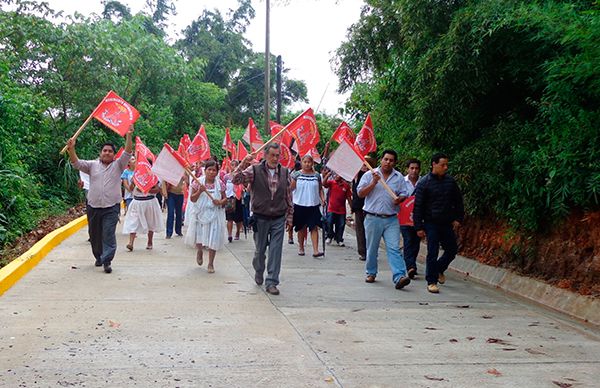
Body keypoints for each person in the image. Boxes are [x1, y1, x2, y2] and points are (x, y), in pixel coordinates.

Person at [66, 128, 133, 273]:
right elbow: (76, 163)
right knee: (94, 235)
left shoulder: (119, 165)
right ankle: (99, 256)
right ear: (100, 153)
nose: (107, 153)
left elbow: (127, 152)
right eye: (105, 150)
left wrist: (129, 135)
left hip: (111, 207)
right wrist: (71, 149)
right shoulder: (91, 165)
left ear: (114, 155)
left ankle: (107, 261)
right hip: (93, 206)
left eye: (110, 151)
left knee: (108, 233)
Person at [232, 143, 293, 295]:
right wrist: (244, 163)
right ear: (265, 155)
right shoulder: (254, 170)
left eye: (277, 155)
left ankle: (272, 281)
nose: (275, 158)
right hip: (260, 217)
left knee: (276, 250)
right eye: (272, 155)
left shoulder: (285, 172)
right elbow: (235, 179)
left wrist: (290, 215)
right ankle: (259, 270)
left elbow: (288, 195)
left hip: (278, 216)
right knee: (260, 251)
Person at [357, 149, 411, 290]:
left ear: (395, 162)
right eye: (386, 159)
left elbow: (404, 193)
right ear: (381, 160)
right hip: (372, 217)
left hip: (391, 218)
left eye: (391, 160)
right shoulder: (370, 174)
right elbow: (360, 193)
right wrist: (373, 183)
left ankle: (399, 276)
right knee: (372, 248)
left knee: (394, 248)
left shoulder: (399, 177)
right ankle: (371, 272)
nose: (388, 162)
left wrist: (400, 199)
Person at [413, 153, 464, 294]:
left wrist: (458, 218)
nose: (445, 167)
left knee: (452, 250)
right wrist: (418, 226)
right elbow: (418, 207)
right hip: (431, 223)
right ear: (434, 164)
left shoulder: (450, 182)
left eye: (447, 165)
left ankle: (439, 268)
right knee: (432, 252)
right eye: (443, 165)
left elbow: (458, 201)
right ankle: (431, 281)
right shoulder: (424, 182)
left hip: (447, 222)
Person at [185, 160, 227, 273]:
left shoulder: (220, 184)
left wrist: (220, 202)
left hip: (214, 214)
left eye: (214, 170)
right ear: (205, 170)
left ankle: (211, 263)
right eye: (209, 170)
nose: (211, 172)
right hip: (200, 213)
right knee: (199, 236)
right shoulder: (197, 182)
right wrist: (199, 191)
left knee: (214, 237)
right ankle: (199, 251)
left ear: (217, 172)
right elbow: (192, 199)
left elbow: (225, 198)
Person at [290, 154, 324, 257]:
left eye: (309, 162)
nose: (307, 164)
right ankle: (301, 247)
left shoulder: (316, 175)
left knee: (314, 227)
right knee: (301, 227)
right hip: (300, 204)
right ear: (301, 162)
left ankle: (315, 250)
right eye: (305, 162)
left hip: (313, 205)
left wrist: (322, 198)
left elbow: (320, 189)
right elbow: (291, 189)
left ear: (312, 163)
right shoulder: (296, 175)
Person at [122, 179, 164, 251]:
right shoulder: (136, 176)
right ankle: (131, 243)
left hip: (150, 201)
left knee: (151, 222)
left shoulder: (152, 176)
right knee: (133, 221)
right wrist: (132, 183)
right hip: (137, 201)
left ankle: (150, 242)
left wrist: (146, 190)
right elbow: (131, 189)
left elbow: (157, 189)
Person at [400, 158, 422, 279]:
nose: (414, 171)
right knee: (408, 240)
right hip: (404, 217)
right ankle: (410, 267)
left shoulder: (423, 182)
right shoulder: (401, 181)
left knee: (416, 241)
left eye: (416, 168)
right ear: (407, 169)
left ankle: (411, 263)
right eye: (412, 168)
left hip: (419, 217)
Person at [351, 155, 376, 261]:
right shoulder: (356, 175)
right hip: (359, 206)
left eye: (367, 164)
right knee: (360, 229)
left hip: (370, 205)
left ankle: (371, 251)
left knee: (371, 230)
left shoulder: (372, 176)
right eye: (363, 164)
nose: (365, 166)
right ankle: (362, 252)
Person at [323, 171, 352, 247]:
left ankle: (339, 239)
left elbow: (348, 197)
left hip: (341, 209)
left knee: (341, 225)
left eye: (338, 175)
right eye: (335, 174)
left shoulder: (346, 186)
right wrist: (327, 176)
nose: (336, 176)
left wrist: (351, 207)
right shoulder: (332, 183)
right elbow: (324, 184)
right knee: (329, 222)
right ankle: (329, 236)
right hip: (331, 208)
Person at [224, 160, 244, 242]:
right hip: (229, 198)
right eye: (232, 165)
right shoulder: (226, 177)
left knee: (238, 218)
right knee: (229, 218)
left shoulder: (240, 177)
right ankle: (229, 234)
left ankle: (238, 232)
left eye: (236, 165)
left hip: (237, 198)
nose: (234, 167)